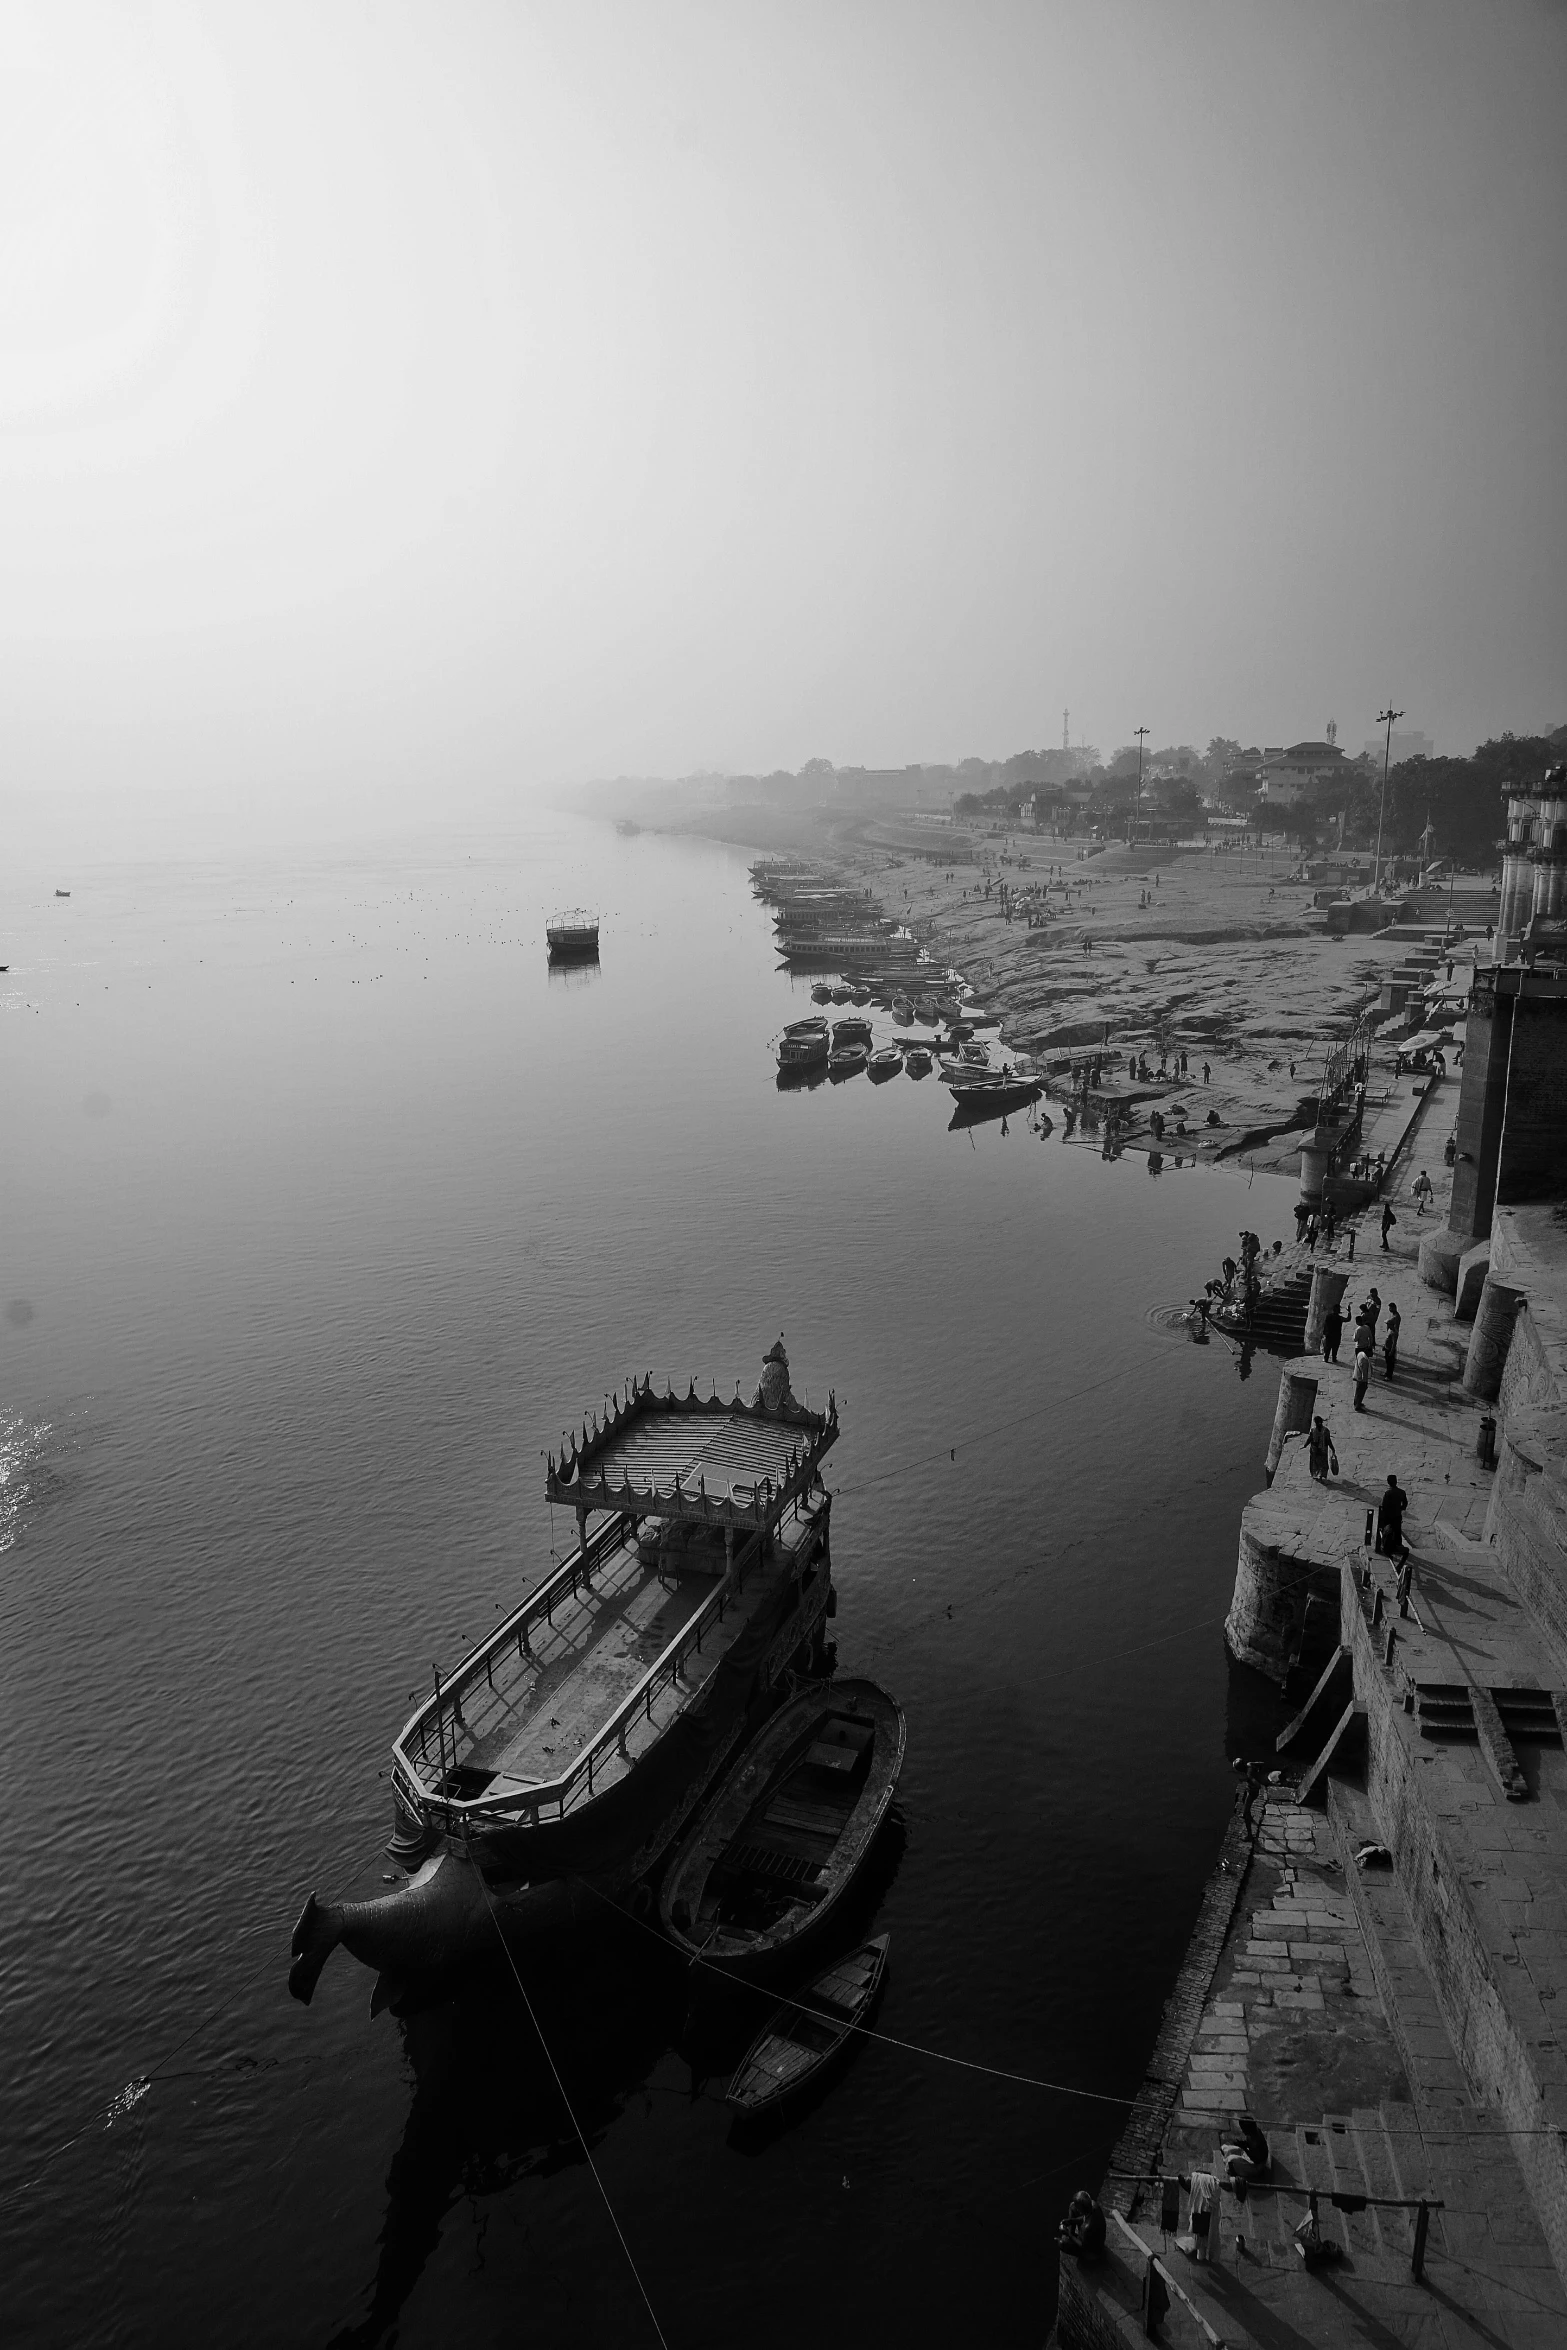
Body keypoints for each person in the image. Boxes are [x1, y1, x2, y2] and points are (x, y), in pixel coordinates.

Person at [1057, 2190, 1106, 2261]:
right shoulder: (1093, 2205)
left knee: (1061, 2243)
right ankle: (1072, 2233)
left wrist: (1068, 2233)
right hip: (1091, 2237)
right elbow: (1084, 2217)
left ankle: (1071, 2236)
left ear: (1081, 2211)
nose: (1076, 2209)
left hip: (1092, 2253)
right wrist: (1070, 2221)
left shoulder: (1086, 2227)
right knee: (1072, 2206)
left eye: (1078, 2208)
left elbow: (1083, 2245)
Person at [1377, 1474, 1410, 1563]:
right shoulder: (1402, 1492)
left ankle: (1385, 1546)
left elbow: (1384, 1506)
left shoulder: (1388, 1493)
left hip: (1388, 1516)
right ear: (1396, 1481)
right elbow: (1405, 1503)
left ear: (1388, 1483)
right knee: (1397, 1531)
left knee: (1387, 1532)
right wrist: (1400, 1508)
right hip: (1397, 1516)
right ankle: (1398, 1546)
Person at [1308, 1416, 1338, 1482]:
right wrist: (1332, 1448)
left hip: (1314, 1450)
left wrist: (1305, 1445)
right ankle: (1321, 1476)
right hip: (1323, 1450)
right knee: (1323, 1464)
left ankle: (1316, 1474)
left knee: (1315, 1463)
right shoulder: (1326, 1430)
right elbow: (1328, 1441)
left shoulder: (1313, 1430)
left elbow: (1310, 1439)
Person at [1353, 1334, 1373, 1412]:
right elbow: (1364, 1373)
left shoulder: (1360, 1354)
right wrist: (1366, 1382)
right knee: (1360, 1392)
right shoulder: (1364, 1360)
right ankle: (1357, 1406)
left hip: (1358, 1376)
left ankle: (1356, 1402)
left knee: (1357, 1391)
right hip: (1362, 1379)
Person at [1383, 1302, 1401, 1379]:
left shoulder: (1394, 1331)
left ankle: (1389, 1376)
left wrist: (1391, 1351)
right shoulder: (1390, 1330)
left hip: (1390, 1348)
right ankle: (1387, 1373)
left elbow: (1394, 1343)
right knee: (1387, 1361)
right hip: (1387, 1346)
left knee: (1390, 1362)